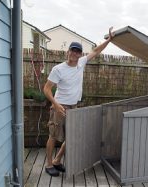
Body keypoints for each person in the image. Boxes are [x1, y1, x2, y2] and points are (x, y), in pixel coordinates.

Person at [43, 27, 115, 177]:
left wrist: (109, 40)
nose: (75, 54)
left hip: (74, 107)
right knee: (53, 136)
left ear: (80, 54)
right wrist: (56, 105)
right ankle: (49, 164)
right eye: (72, 50)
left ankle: (57, 160)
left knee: (71, 137)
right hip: (59, 107)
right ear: (67, 52)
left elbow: (96, 50)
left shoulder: (81, 62)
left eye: (78, 51)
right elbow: (47, 89)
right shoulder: (58, 69)